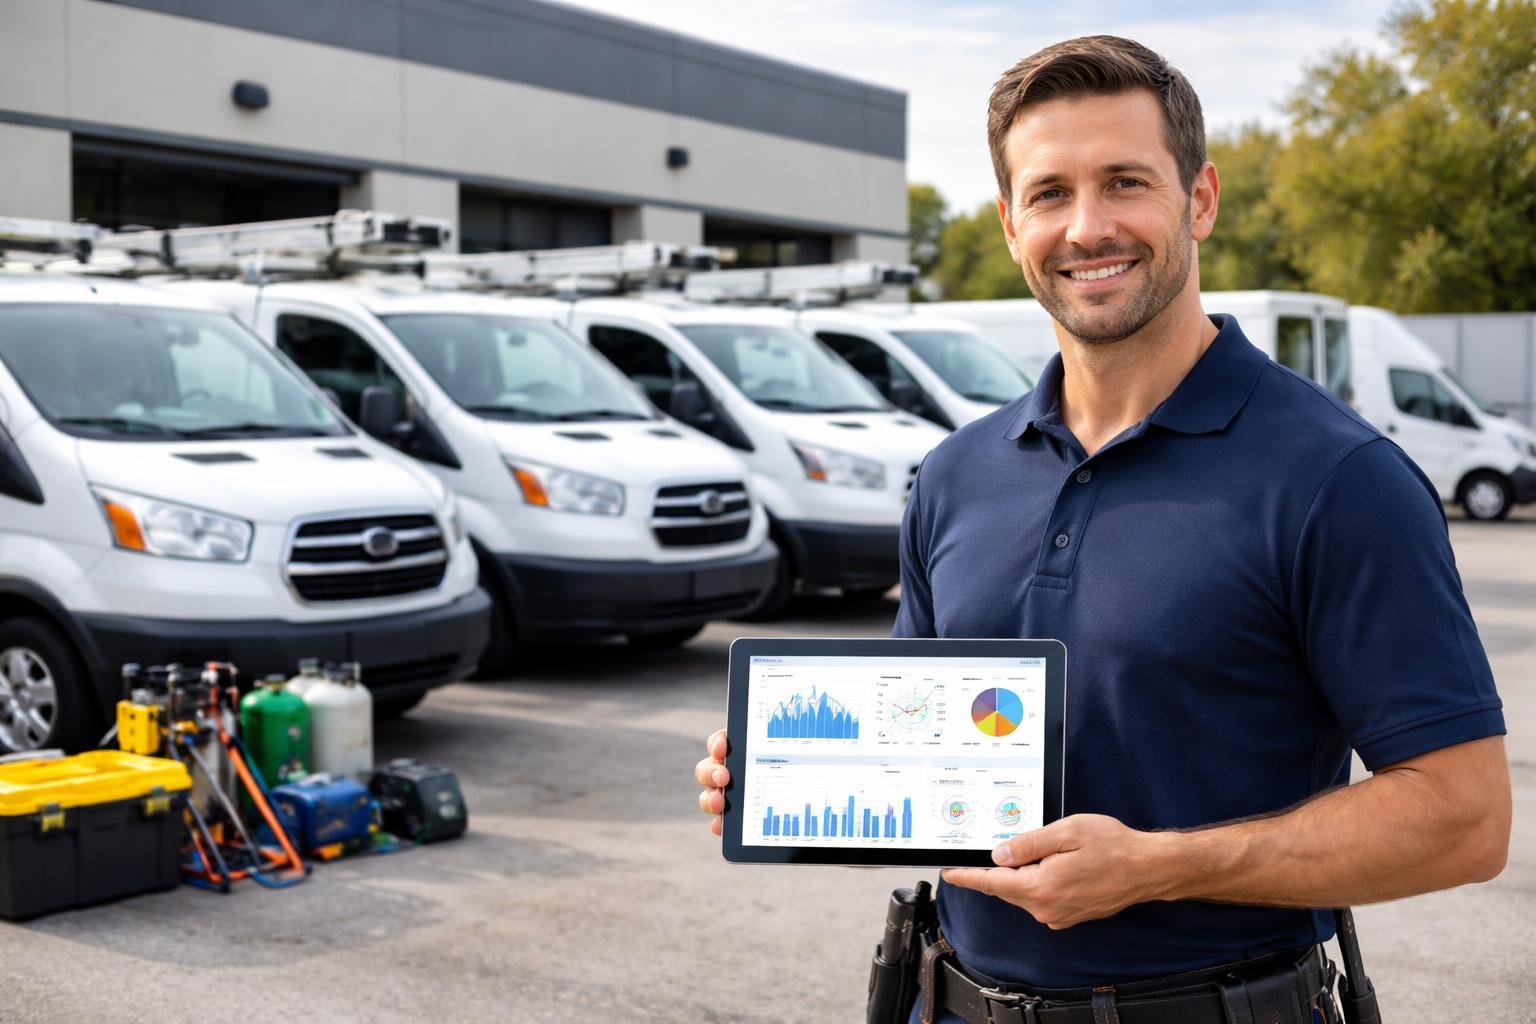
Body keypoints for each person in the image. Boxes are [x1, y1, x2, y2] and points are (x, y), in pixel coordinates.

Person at [696, 35, 1510, 1023]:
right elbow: (926, 752)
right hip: (946, 1000)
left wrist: (1160, 868)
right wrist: (782, 769)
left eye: (1125, 181)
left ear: (1198, 199)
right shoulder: (956, 475)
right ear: (1008, 222)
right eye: (1048, 194)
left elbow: (1464, 819)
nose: (1087, 227)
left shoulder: (1336, 478)